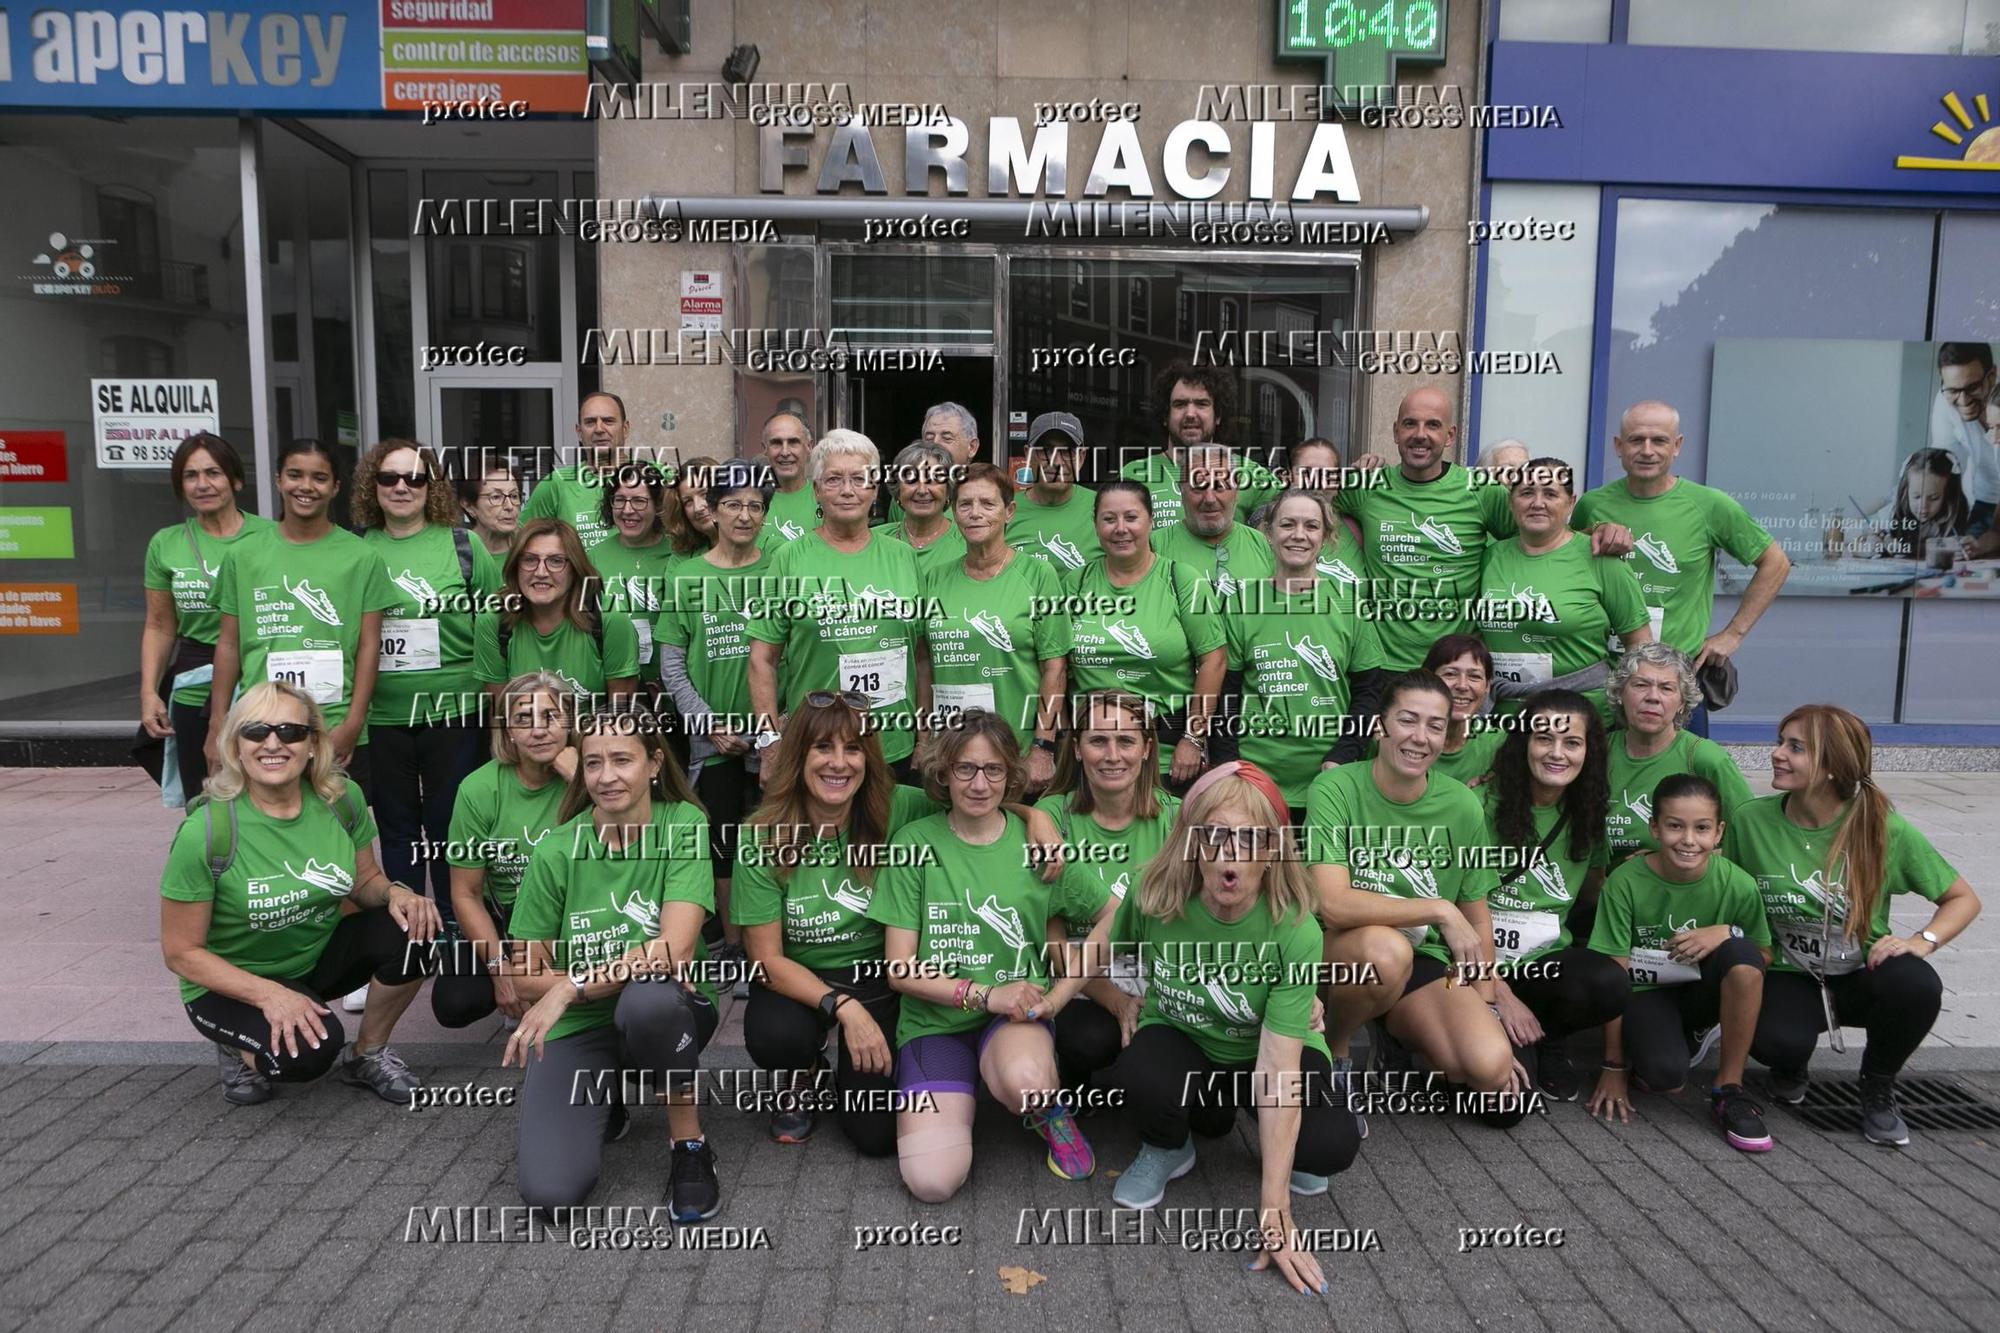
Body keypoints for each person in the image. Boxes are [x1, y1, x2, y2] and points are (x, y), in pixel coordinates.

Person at [1110, 762, 1358, 1297]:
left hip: (1262, 1055)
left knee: (1331, 1147)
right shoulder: (1154, 893)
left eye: (1250, 839)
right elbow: (1119, 950)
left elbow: (1277, 1070)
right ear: (1192, 842)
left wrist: (1274, 1210)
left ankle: (1274, 1146)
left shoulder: (1295, 928)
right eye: (1215, 835)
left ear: (1273, 852)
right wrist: (1124, 996)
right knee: (1139, 1071)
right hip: (1185, 1041)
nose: (1231, 855)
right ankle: (1167, 1145)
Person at [867, 711, 1113, 1200]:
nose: (980, 784)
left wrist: (1062, 995)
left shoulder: (1038, 846)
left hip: (1017, 1018)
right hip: (937, 1022)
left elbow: (1116, 916)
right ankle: (967, 1089)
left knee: (1025, 1080)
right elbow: (899, 968)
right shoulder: (913, 844)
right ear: (942, 772)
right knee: (932, 1182)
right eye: (965, 769)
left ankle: (1046, 1109)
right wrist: (983, 995)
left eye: (994, 770)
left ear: (1011, 775)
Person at [160, 682, 439, 1106]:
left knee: (418, 928)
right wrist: (269, 995)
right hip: (228, 986)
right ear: (236, 746)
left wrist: (397, 894)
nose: (273, 743)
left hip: (311, 961)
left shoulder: (340, 800)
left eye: (290, 731)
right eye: (256, 731)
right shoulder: (207, 831)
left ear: (313, 744)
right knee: (308, 1057)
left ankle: (368, 1054)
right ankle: (236, 1048)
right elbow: (181, 953)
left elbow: (363, 882)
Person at [502, 703, 722, 1220]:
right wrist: (567, 987)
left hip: (668, 1008)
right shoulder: (556, 850)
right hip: (580, 1027)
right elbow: (524, 974)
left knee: (649, 1001)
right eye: (593, 763)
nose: (606, 776)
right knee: (550, 1193)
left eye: (622, 759)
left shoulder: (684, 824)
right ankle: (607, 1098)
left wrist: (570, 985)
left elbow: (674, 950)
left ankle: (689, 1147)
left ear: (653, 764)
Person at [1728, 705, 1981, 1146]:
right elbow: (1721, 888)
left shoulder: (1882, 828)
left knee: (1917, 984)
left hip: (1863, 974)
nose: (1775, 754)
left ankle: (1878, 1086)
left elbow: (1963, 899)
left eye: (1796, 747)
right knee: (1773, 1041)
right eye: (1780, 741)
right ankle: (1790, 1067)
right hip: (1790, 975)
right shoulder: (1751, 820)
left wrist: (1922, 941)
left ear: (1831, 766)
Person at [1306, 672, 1519, 1123]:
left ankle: (1392, 1038)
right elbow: (1332, 904)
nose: (1419, 737)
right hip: (1337, 952)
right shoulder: (1336, 787)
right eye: (1407, 720)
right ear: (1379, 726)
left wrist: (1487, 1004)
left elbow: (1477, 918)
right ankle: (1337, 1051)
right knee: (1385, 950)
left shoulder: (1461, 804)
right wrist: (1437, 908)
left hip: (1419, 959)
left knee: (1489, 1070)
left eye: (1435, 726)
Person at [732, 691, 935, 1150]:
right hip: (800, 979)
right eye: (823, 747)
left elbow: (979, 804)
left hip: (878, 975)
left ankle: (854, 1067)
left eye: (853, 748)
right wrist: (843, 1008)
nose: (838, 763)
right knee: (775, 1036)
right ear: (798, 754)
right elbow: (765, 961)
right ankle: (805, 1070)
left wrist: (1034, 818)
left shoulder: (901, 805)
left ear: (870, 757)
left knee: (876, 1137)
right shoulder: (761, 834)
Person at [1340, 390, 1632, 672]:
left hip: (1455, 668)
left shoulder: (1480, 490)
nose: (1420, 434)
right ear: (1395, 432)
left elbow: (1547, 536)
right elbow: (1311, 512)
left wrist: (1600, 530)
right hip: (1381, 665)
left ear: (1450, 435)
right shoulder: (1365, 487)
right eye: (1409, 424)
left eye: (1433, 425)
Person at [354, 439, 503, 936]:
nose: (402, 487)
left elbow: (493, 619)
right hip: (382, 714)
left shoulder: (463, 544)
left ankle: (459, 932)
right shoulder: (356, 549)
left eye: (414, 478)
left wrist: (491, 696)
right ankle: (404, 937)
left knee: (450, 826)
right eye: (390, 478)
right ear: (372, 486)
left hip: (454, 709)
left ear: (431, 485)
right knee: (396, 830)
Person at [1585, 774, 1775, 1153]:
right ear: (1654, 827)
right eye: (1675, 826)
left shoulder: (1737, 884)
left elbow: (1762, 956)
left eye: (1702, 828)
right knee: (1665, 1077)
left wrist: (1727, 932)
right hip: (1645, 993)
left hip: (1700, 989)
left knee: (1740, 952)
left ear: (1719, 833)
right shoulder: (1624, 881)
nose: (1689, 840)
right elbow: (1615, 972)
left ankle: (1730, 1088)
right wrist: (1613, 1066)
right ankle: (1675, 1041)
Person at [206, 439, 397, 782]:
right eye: (295, 475)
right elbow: (229, 645)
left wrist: (353, 723)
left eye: (319, 478)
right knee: (265, 828)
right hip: (260, 727)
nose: (306, 486)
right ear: (278, 480)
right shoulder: (242, 556)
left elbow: (370, 646)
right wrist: (218, 725)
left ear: (336, 487)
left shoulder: (362, 556)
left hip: (333, 724)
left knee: (341, 827)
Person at [1479, 690, 1629, 1102]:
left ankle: (1549, 1038)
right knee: (1501, 1103)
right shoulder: (1477, 806)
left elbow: (1592, 893)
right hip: (1472, 970)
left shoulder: (1590, 816)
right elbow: (1447, 917)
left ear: (1589, 752)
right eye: (1544, 738)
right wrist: (1499, 993)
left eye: (1572, 742)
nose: (1556, 753)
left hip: (1540, 968)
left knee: (1608, 983)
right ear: (1523, 743)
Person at [1572, 400, 1790, 684]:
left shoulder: (1710, 505)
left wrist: (1732, 635)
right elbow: (1569, 566)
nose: (1647, 450)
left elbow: (1776, 563)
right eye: (1636, 440)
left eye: (1659, 441)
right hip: (1602, 672)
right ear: (1618, 446)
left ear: (1677, 446)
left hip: (1675, 677)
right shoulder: (1592, 504)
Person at [747, 430, 924, 779]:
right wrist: (769, 742)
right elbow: (761, 659)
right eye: (833, 479)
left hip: (892, 745)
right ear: (816, 489)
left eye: (859, 479)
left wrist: (924, 737)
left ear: (874, 489)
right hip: (817, 746)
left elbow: (920, 654)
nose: (847, 490)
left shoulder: (903, 556)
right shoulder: (789, 558)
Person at [658, 460, 774, 968]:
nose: (744, 516)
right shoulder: (686, 577)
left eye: (755, 506)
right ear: (712, 510)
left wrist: (776, 725)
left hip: (776, 733)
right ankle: (732, 946)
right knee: (722, 843)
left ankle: (772, 948)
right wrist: (709, 724)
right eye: (733, 505)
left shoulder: (782, 566)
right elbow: (672, 665)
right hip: (714, 736)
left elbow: (797, 651)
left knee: (771, 842)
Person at [1036, 690, 1182, 1093]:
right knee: (1089, 1040)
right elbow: (1051, 934)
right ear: (1078, 749)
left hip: (1155, 970)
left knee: (1211, 1116)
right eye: (1098, 740)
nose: (1112, 755)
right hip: (1079, 976)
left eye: (1126, 741)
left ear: (1148, 749)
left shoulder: (1176, 817)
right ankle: (1072, 1082)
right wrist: (1115, 999)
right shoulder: (1052, 818)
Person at [1217, 490, 1385, 817]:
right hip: (1255, 782)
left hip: (1327, 780)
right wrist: (1230, 767)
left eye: (1311, 526)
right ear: (1269, 533)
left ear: (1326, 537)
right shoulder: (1240, 602)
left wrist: (1342, 756)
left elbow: (1369, 691)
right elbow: (1227, 694)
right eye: (1287, 524)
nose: (1298, 535)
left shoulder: (1348, 604)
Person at [432, 673, 573, 1029]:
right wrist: (501, 971)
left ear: (569, 722)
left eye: (550, 717)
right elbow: (465, 893)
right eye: (524, 720)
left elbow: (637, 849)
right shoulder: (479, 789)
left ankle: (567, 992)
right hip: (510, 919)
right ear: (508, 730)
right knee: (455, 1002)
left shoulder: (592, 776)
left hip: (579, 915)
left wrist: (581, 780)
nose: (538, 730)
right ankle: (531, 987)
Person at [917, 463, 1068, 789]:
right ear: (954, 511)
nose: (975, 513)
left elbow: (1055, 670)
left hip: (1017, 751)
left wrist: (1043, 747)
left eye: (987, 504)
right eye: (965, 504)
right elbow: (923, 662)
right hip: (950, 751)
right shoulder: (934, 578)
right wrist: (922, 738)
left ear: (1009, 511)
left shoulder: (1039, 576)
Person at [141, 433, 274, 804]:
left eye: (213, 473)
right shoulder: (166, 543)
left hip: (260, 672)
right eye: (190, 475)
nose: (202, 484)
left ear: (235, 479)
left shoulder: (271, 536)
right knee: (204, 794)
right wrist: (149, 691)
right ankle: (210, 860)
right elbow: (159, 625)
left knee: (268, 787)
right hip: (195, 679)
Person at [1066, 480, 1225, 790]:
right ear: (1095, 525)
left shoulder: (1182, 580)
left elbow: (1214, 661)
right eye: (1109, 519)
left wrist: (1193, 737)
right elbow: (1056, 664)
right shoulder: (1077, 583)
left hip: (1167, 756)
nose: (1120, 528)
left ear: (1151, 522)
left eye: (1131, 517)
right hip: (1095, 755)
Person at [1475, 457, 1652, 721]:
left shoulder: (1600, 559)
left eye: (1550, 493)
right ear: (1511, 503)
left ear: (1571, 502)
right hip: (1505, 720)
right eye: (1526, 493)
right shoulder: (1490, 558)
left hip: (1579, 721)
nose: (1537, 503)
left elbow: (1640, 645)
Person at [1604, 644, 1752, 867]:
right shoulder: (1596, 753)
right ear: (1620, 695)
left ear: (1682, 703)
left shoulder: (1706, 759)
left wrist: (1670, 861)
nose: (1653, 697)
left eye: (1666, 688)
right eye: (1641, 685)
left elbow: (1750, 839)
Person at [473, 518, 640, 706]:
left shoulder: (610, 619)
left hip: (592, 734)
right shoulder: (494, 620)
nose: (541, 572)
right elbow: (501, 716)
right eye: (529, 560)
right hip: (525, 734)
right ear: (515, 566)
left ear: (575, 568)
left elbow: (619, 717)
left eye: (556, 561)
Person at [1121, 361, 1281, 528]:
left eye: (1201, 404)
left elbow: (1289, 524)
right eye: (1180, 404)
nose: (1190, 413)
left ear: (1218, 415)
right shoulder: (1134, 474)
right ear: (1165, 416)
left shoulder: (1249, 473)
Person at [586, 462, 678, 691]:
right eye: (619, 500)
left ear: (657, 505)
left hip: (672, 690)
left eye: (638, 500)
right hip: (614, 688)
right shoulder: (592, 558)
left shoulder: (678, 553)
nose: (627, 510)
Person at [1151, 445, 1276, 597]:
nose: (1209, 499)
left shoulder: (1264, 547)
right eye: (1198, 487)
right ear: (1181, 492)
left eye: (1219, 486)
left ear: (1236, 491)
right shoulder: (1153, 548)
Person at [521, 392, 630, 549]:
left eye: (608, 421)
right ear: (579, 432)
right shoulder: (557, 483)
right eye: (590, 422)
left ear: (625, 429)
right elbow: (522, 538)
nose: (599, 429)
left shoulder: (652, 477)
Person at [1006, 412, 1101, 575]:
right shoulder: (1003, 511)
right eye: (1046, 450)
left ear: (1082, 457)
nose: (1056, 462)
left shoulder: (1104, 509)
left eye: (1067, 451)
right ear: (1028, 454)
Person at [1928, 342, 2000, 547]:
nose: (1963, 400)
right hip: (1982, 502)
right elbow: (1941, 464)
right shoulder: (1944, 400)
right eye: (1953, 390)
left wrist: (1992, 536)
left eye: (1972, 387)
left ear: (1992, 375)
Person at [1416, 635, 1505, 787]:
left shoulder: (1501, 745)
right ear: (1427, 679)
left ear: (1487, 686)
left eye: (1474, 676)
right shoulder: (1397, 738)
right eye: (1450, 674)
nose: (1462, 686)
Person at [873, 440, 967, 577]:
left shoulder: (967, 543)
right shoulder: (873, 540)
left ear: (948, 490)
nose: (922, 490)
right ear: (898, 490)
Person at [1876, 447, 1970, 561]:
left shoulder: (1956, 516)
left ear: (1949, 496)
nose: (1923, 506)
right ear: (1906, 492)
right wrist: (1883, 540)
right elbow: (1854, 538)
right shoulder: (1891, 515)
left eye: (1934, 498)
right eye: (1916, 497)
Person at [760, 411, 818, 544]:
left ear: (809, 446)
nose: (785, 452)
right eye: (776, 443)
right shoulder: (748, 500)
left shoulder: (825, 498)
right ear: (765, 448)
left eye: (793, 442)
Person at [455, 449, 523, 557]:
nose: (509, 506)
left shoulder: (533, 548)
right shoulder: (457, 556)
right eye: (496, 497)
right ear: (468, 505)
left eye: (514, 496)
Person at [668, 455, 720, 560]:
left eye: (704, 494)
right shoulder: (682, 558)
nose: (698, 508)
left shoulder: (761, 544)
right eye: (688, 502)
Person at [920, 401, 981, 468]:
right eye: (929, 438)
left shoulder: (987, 478)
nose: (935, 444)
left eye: (947, 438)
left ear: (972, 447)